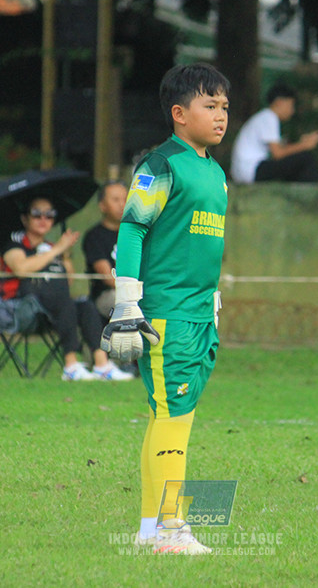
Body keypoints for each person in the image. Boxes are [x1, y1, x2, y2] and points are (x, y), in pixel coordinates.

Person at [101, 62, 230, 555]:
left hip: (200, 313)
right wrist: (127, 302)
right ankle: (171, 531)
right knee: (173, 418)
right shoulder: (160, 164)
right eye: (208, 105)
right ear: (179, 113)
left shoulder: (215, 173)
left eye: (224, 106)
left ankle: (150, 531)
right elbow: (133, 228)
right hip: (166, 314)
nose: (220, 116)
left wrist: (213, 300)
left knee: (173, 417)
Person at [0, 196, 133, 382]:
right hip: (20, 309)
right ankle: (70, 366)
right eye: (37, 214)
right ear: (25, 218)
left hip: (54, 308)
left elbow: (67, 281)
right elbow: (21, 269)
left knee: (84, 304)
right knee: (64, 302)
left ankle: (102, 365)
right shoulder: (15, 243)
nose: (43, 219)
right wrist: (57, 250)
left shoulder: (51, 247)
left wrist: (66, 256)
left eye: (49, 215)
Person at [229, 83, 318, 184]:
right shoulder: (269, 117)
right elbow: (278, 154)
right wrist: (304, 145)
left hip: (245, 170)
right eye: (291, 105)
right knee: (306, 158)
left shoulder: (264, 117)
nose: (292, 111)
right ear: (279, 102)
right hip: (251, 170)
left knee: (296, 161)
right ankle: (312, 196)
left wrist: (300, 144)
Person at [82, 180, 128, 320]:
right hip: (108, 295)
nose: (122, 204)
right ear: (102, 206)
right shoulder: (94, 236)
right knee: (125, 305)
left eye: (126, 199)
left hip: (140, 292)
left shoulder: (138, 234)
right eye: (115, 200)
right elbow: (108, 278)